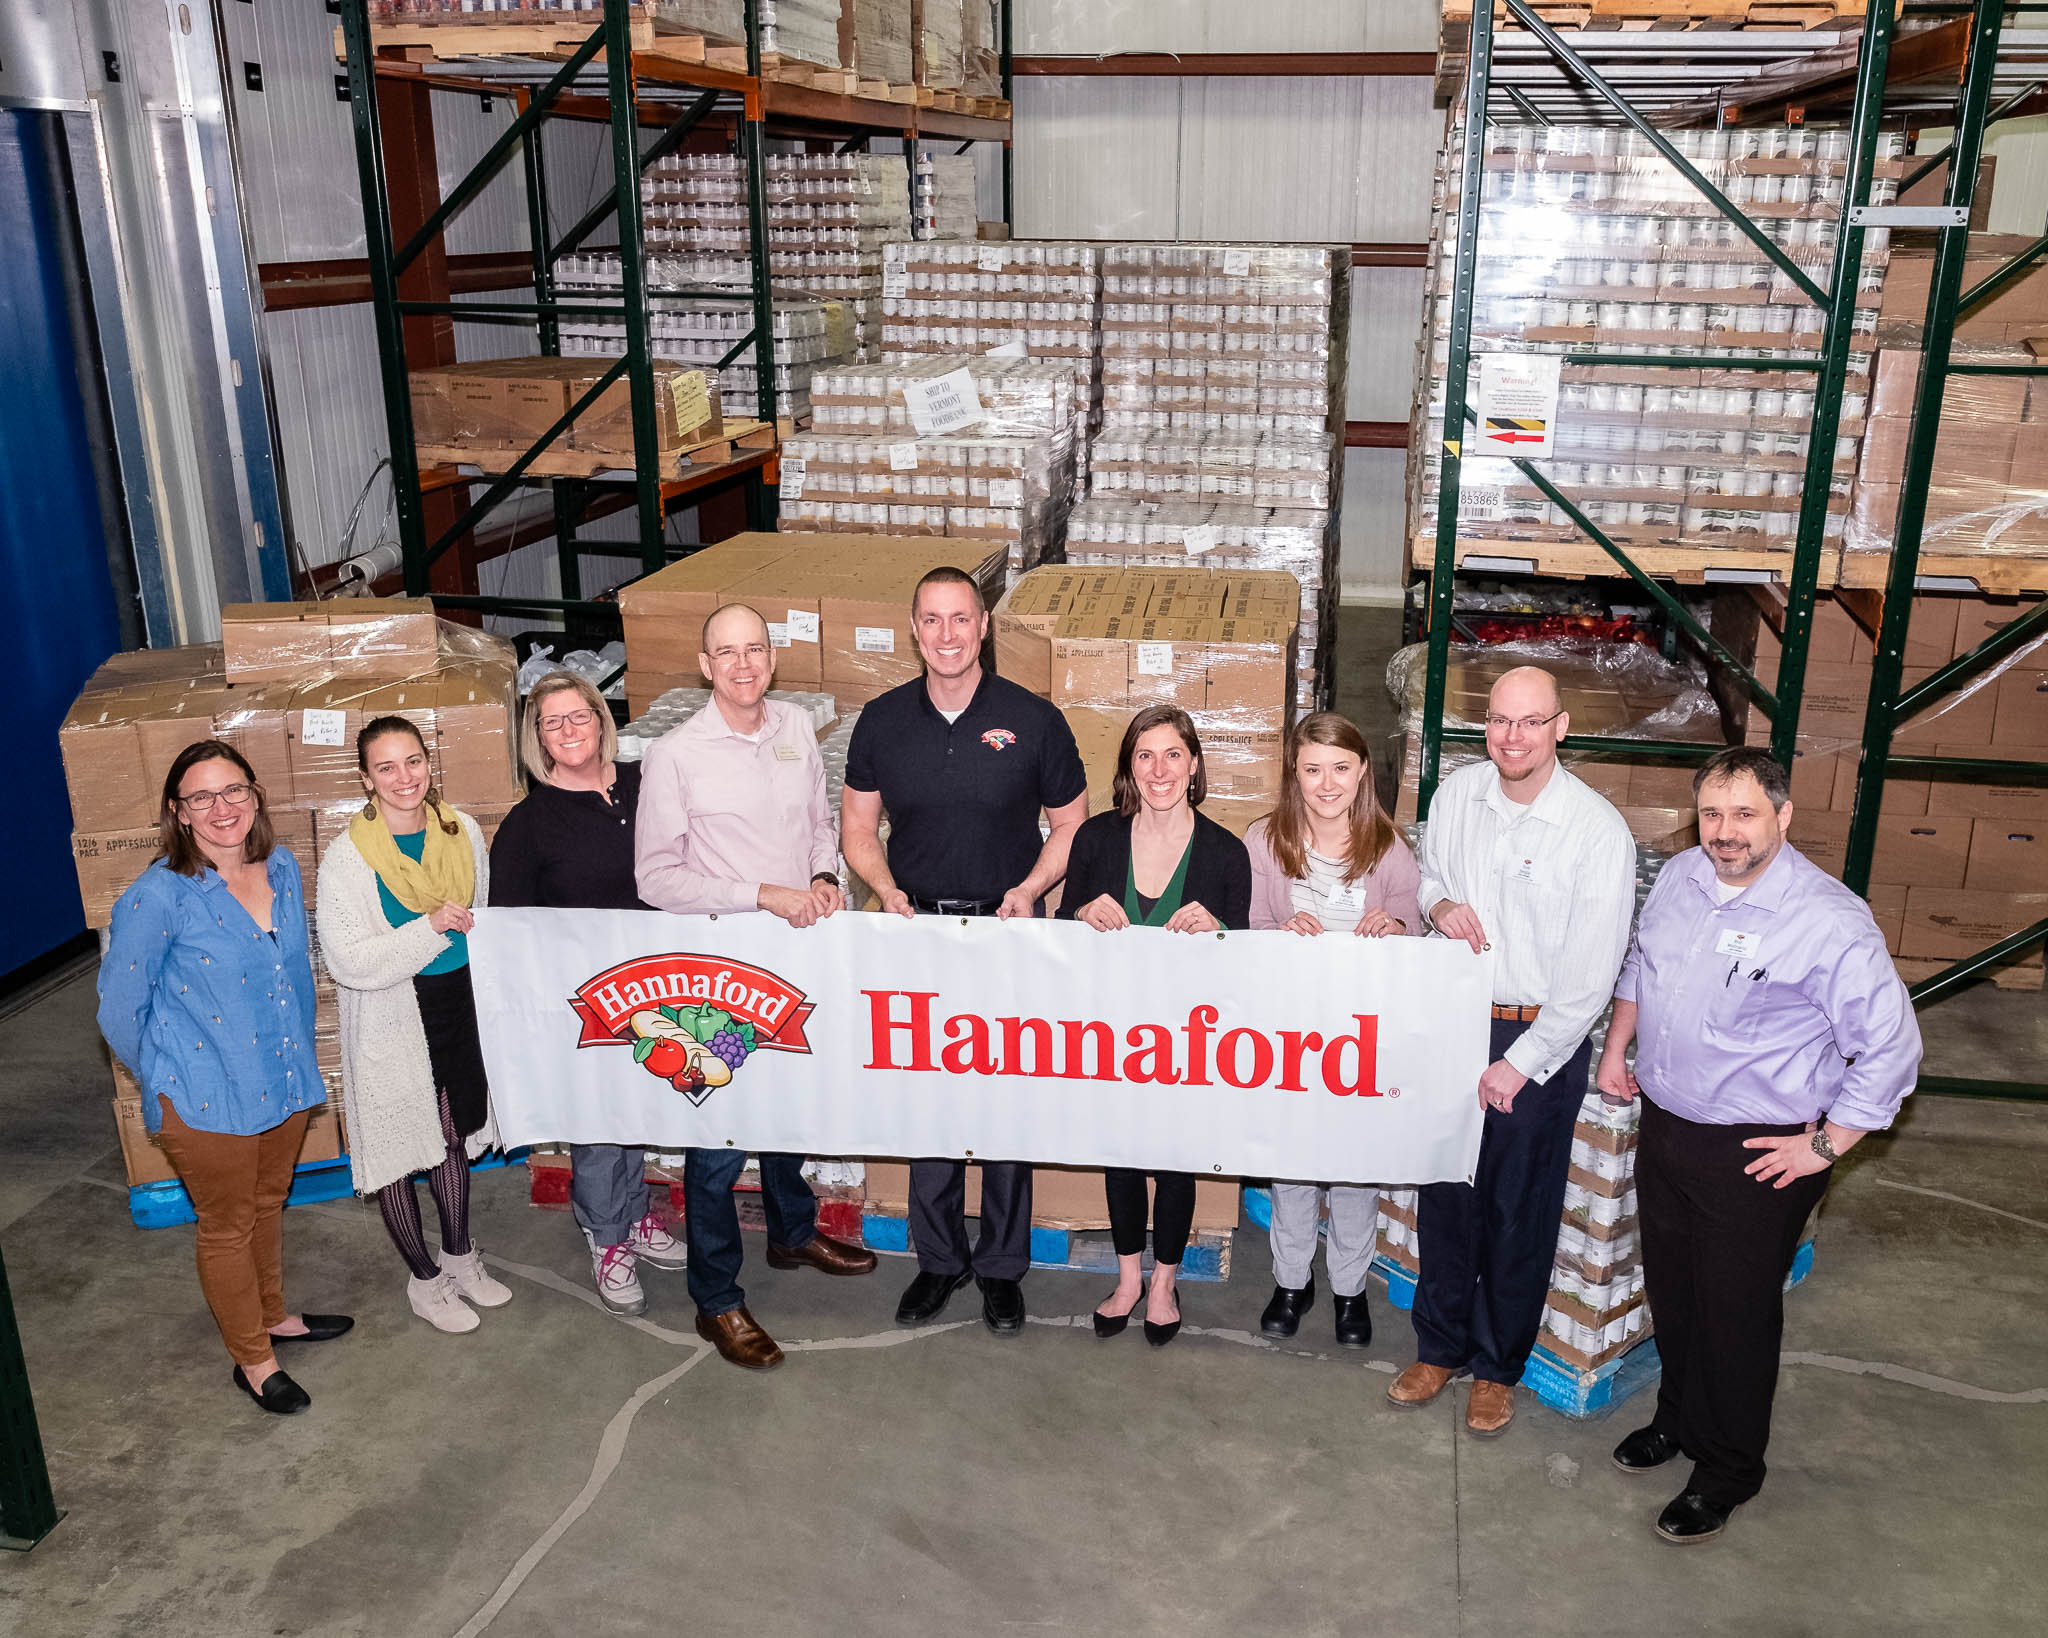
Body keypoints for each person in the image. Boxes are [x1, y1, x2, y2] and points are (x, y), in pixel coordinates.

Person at [1595, 746, 1920, 1544]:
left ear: (1783, 816)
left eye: (1744, 814)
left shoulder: (1828, 920)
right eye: (1712, 813)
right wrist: (1616, 1046)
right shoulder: (1679, 880)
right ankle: (1678, 1417)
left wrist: (1825, 1142)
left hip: (1759, 1151)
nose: (1725, 832)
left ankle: (1730, 1466)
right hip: (1669, 1129)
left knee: (1736, 1314)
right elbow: (1642, 965)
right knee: (1673, 1294)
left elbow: (1892, 1046)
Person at [841, 565, 1089, 1337]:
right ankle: (941, 1261)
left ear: (983, 626)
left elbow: (1074, 824)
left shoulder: (1034, 719)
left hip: (1008, 932)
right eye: (932, 620)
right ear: (915, 630)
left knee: (1005, 1100)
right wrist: (886, 889)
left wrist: (1030, 889)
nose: (946, 635)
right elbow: (856, 831)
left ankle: (1002, 1267)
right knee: (931, 1104)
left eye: (960, 619)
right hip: (916, 938)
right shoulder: (881, 722)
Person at [1389, 666, 1636, 1436]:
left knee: (1517, 1210)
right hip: (1455, 1019)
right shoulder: (1457, 796)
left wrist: (1519, 1062)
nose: (1513, 737)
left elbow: (1590, 977)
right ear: (1484, 724)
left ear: (1561, 728)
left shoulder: (1596, 832)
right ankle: (1440, 1347)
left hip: (1541, 1037)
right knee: (1447, 1194)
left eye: (1531, 722)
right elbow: (1426, 876)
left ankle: (1498, 1368)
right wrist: (1440, 904)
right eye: (1500, 720)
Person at [635, 603, 878, 1370]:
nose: (744, 665)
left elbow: (817, 820)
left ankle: (791, 1231)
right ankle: (716, 1299)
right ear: (704, 665)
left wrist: (818, 875)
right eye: (726, 653)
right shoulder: (677, 755)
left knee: (786, 1109)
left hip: (796, 952)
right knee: (717, 1139)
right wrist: (764, 893)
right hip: (717, 970)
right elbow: (655, 877)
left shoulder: (797, 730)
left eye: (756, 650)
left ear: (772, 658)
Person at [97, 740, 351, 1415]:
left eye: (233, 790)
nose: (221, 808)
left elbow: (291, 974)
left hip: (284, 1078)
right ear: (177, 813)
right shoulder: (158, 897)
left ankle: (274, 1316)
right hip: (207, 1098)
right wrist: (167, 1078)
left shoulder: (284, 869)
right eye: (200, 797)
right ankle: (253, 1359)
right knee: (228, 1223)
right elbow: (119, 1009)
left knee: (269, 1204)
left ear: (256, 795)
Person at [489, 671, 687, 1318]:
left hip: (659, 982)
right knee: (600, 1118)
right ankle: (607, 1237)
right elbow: (512, 928)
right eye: (553, 722)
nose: (569, 730)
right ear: (537, 738)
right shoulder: (528, 824)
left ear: (602, 720)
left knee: (635, 1109)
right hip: (584, 1000)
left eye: (580, 716)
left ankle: (631, 1217)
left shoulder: (643, 787)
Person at [1059, 705, 1252, 1347]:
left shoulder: (1227, 852)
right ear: (1128, 768)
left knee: (1174, 1161)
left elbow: (1248, 955)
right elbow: (1058, 931)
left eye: (1173, 754)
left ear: (1194, 764)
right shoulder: (1095, 840)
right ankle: (1126, 1278)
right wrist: (1083, 909)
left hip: (1189, 1040)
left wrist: (1219, 932)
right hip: (1110, 1034)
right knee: (1122, 1156)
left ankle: (1164, 1282)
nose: (1159, 769)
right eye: (1145, 755)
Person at [318, 714, 512, 1335]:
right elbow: (349, 960)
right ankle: (425, 1281)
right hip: (393, 1015)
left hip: (459, 1005)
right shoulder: (349, 858)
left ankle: (460, 1255)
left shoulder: (462, 831)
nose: (405, 777)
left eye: (414, 761)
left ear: (430, 761)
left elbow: (480, 919)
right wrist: (428, 928)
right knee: (401, 1151)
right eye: (386, 767)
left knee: (451, 1136)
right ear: (365, 778)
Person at [1245, 712, 1423, 1349]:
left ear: (1362, 772)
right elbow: (1246, 930)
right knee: (1292, 1167)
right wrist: (1278, 933)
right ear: (1295, 774)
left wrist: (1396, 928)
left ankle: (1350, 1288)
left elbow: (1414, 925)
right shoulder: (1265, 841)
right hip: (1289, 1039)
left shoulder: (1389, 848)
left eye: (1340, 769)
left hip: (1360, 1042)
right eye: (1312, 769)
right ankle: (1291, 1281)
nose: (1327, 784)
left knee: (1354, 1169)